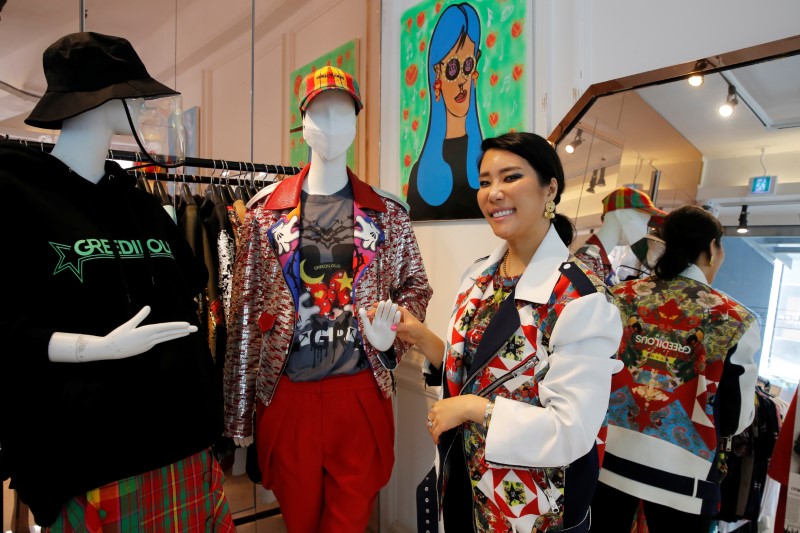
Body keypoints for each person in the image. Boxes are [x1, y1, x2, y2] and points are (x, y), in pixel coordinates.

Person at [0, 32, 232, 530]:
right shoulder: (16, 198)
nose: (145, 108)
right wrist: (90, 347)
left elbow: (192, 292)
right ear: (104, 101)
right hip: (94, 467)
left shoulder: (142, 204)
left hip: (187, 451)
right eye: (135, 96)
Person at [223, 66, 433, 532]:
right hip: (287, 394)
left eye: (343, 112)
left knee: (349, 522)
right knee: (299, 521)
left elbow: (416, 286)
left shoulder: (388, 213)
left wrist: (391, 339)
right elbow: (242, 312)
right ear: (303, 123)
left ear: (358, 121)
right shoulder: (263, 214)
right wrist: (238, 416)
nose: (333, 124)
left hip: (358, 391)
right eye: (320, 112)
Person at [395, 132, 623, 531]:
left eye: (510, 177)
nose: (494, 193)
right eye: (485, 182)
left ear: (549, 188)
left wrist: (470, 408)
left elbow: (571, 430)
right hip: (466, 482)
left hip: (531, 505)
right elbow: (478, 371)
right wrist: (421, 337)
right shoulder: (480, 275)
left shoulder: (581, 299)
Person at [592, 205, 760, 532]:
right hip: (685, 476)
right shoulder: (734, 319)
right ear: (712, 248)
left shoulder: (618, 297)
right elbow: (735, 417)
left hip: (605, 457)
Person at [406, 2, 484, 220]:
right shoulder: (419, 175)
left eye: (468, 66)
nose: (462, 80)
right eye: (452, 68)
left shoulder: (486, 163)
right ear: (436, 75)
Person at [575, 187, 666, 286]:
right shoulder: (588, 260)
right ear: (622, 215)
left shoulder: (598, 259)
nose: (647, 228)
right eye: (645, 221)